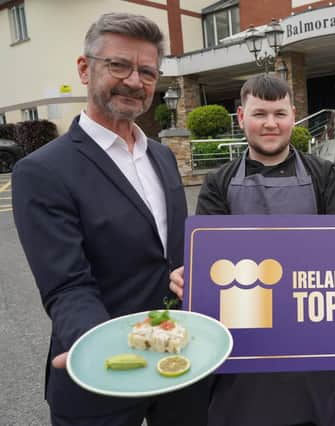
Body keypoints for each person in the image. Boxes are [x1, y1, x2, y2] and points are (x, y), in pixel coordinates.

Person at [12, 13, 211, 426]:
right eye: (118, 65)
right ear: (85, 69)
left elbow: (168, 253)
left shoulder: (160, 155)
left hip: (178, 360)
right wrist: (97, 347)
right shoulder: (42, 171)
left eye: (147, 72)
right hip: (101, 372)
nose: (135, 81)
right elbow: (67, 285)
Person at [169, 74, 335, 426]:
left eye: (279, 113)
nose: (270, 124)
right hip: (243, 347)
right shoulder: (218, 182)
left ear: (293, 116)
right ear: (241, 117)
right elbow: (209, 261)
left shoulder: (324, 175)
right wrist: (192, 277)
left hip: (312, 345)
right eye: (260, 114)